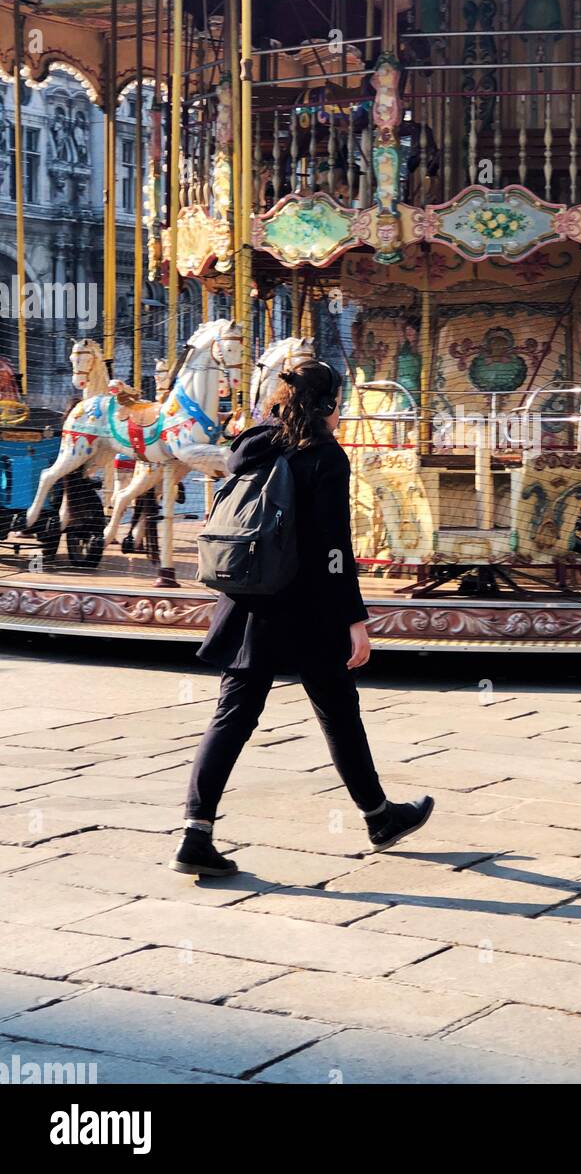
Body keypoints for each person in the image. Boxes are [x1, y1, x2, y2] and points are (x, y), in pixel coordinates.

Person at [169, 359, 434, 876]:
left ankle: (195, 832)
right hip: (307, 607)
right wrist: (354, 619)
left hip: (248, 600)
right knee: (337, 710)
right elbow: (334, 549)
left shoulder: (253, 442)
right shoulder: (325, 455)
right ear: (330, 404)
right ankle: (379, 817)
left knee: (234, 714)